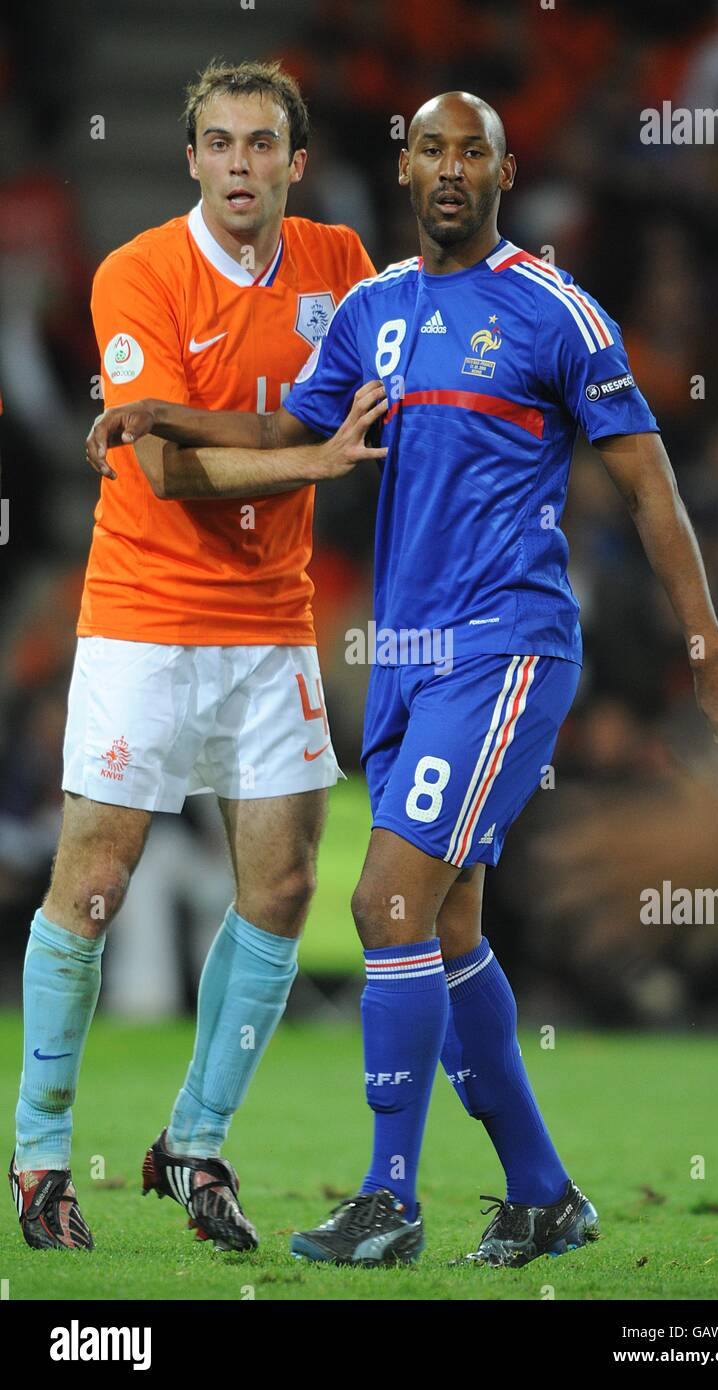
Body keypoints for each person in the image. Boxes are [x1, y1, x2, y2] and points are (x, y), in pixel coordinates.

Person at [86, 91, 718, 1269]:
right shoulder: (370, 311)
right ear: (404, 171)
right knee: (448, 932)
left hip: (505, 650)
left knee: (384, 902)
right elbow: (284, 432)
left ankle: (388, 1198)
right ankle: (545, 1195)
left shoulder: (555, 311)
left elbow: (651, 484)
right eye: (434, 150)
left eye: (477, 153)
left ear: (505, 174)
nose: (452, 169)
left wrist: (705, 649)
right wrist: (162, 410)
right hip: (405, 662)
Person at [9, 57, 379, 1254]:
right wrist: (315, 462)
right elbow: (160, 469)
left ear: (294, 162)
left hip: (272, 627)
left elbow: (368, 405)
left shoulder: (338, 266)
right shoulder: (140, 272)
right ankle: (40, 1153)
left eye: (261, 145)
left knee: (279, 888)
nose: (239, 164)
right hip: (145, 618)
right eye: (218, 143)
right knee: (97, 885)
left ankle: (194, 1142)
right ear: (191, 160)